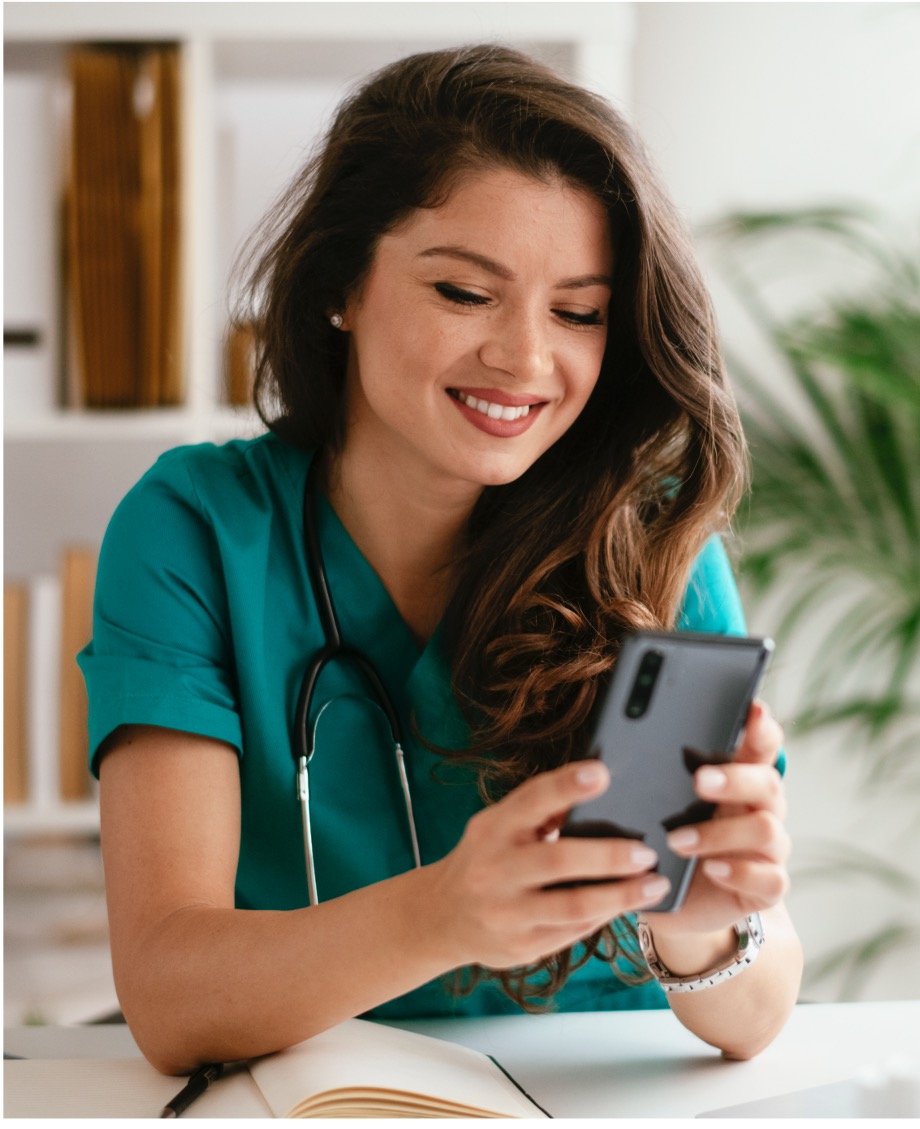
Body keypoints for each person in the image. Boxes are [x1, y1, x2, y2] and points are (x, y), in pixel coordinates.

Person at [79, 44, 803, 1076]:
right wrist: (445, 914)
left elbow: (757, 1006)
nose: (524, 358)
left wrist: (703, 929)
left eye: (578, 312)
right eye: (465, 291)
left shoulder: (651, 545)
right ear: (341, 286)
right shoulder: (195, 529)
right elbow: (169, 996)